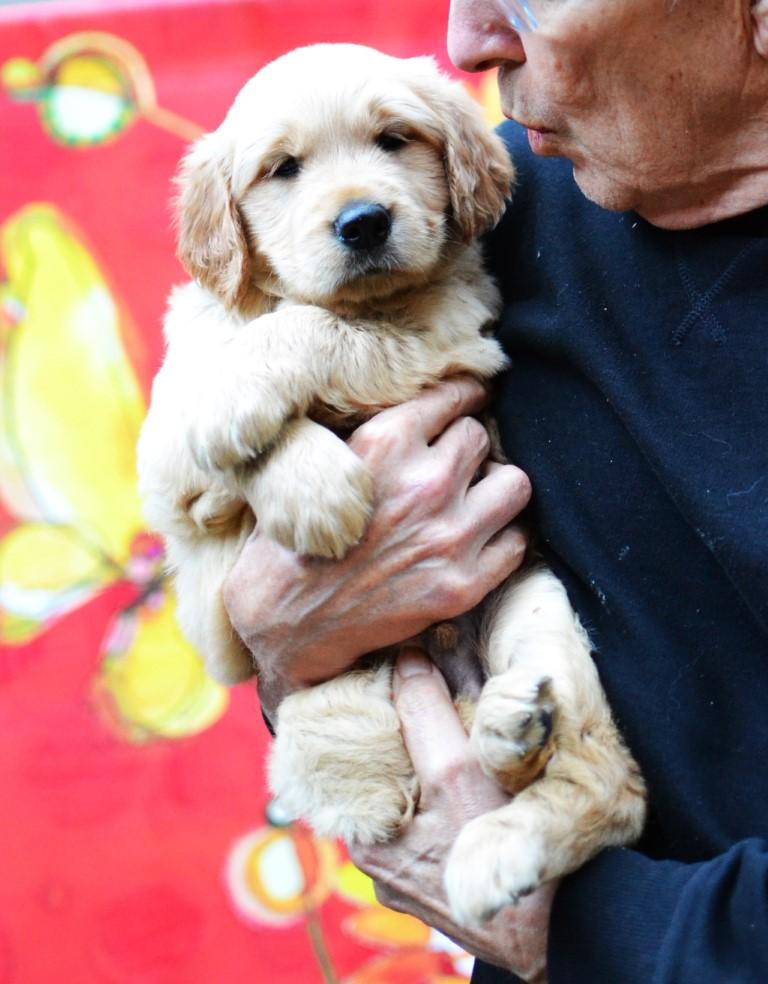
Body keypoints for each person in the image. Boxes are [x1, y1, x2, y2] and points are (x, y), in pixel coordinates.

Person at [223, 1, 768, 980]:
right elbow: (314, 566)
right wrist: (297, 634)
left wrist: (575, 926)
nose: (469, 37)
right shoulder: (499, 202)